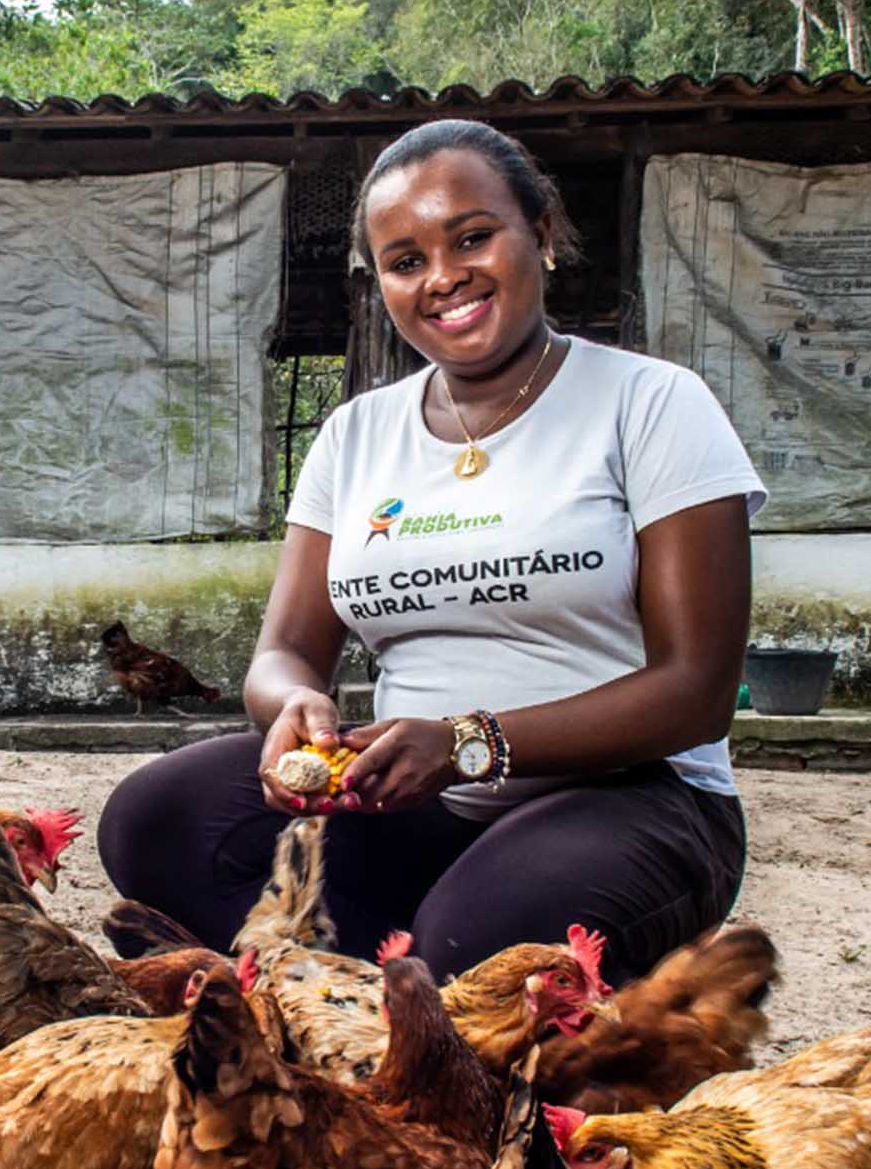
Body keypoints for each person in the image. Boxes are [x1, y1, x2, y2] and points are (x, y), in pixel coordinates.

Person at [97, 119, 767, 985]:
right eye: (406, 260)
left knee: (480, 945)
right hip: (411, 796)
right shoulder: (357, 435)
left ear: (542, 234)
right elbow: (285, 650)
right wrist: (295, 706)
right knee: (155, 818)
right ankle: (357, 1000)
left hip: (632, 796)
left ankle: (452, 987)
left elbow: (696, 692)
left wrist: (466, 743)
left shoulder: (650, 404)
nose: (444, 278)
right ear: (381, 282)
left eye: (473, 238)